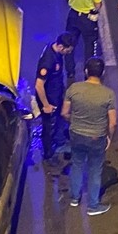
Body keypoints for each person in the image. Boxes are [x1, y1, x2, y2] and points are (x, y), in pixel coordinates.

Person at [61, 57, 116, 216]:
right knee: (94, 170)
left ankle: (74, 198)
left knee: (77, 165)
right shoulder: (108, 94)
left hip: (76, 134)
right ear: (103, 73)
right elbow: (112, 123)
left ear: (86, 71)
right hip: (96, 137)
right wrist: (109, 137)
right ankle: (93, 205)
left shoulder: (74, 88)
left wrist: (75, 121)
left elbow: (64, 113)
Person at [62, 0, 102, 82]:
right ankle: (89, 75)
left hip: (73, 14)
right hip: (88, 19)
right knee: (90, 47)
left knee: (69, 43)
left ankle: (70, 72)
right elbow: (97, 4)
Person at [35, 33, 74, 161]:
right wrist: (46, 105)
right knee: (48, 125)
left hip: (55, 93)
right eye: (68, 50)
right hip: (49, 98)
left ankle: (60, 141)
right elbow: (39, 85)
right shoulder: (48, 61)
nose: (68, 53)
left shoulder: (55, 49)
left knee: (58, 119)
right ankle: (48, 152)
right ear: (62, 47)